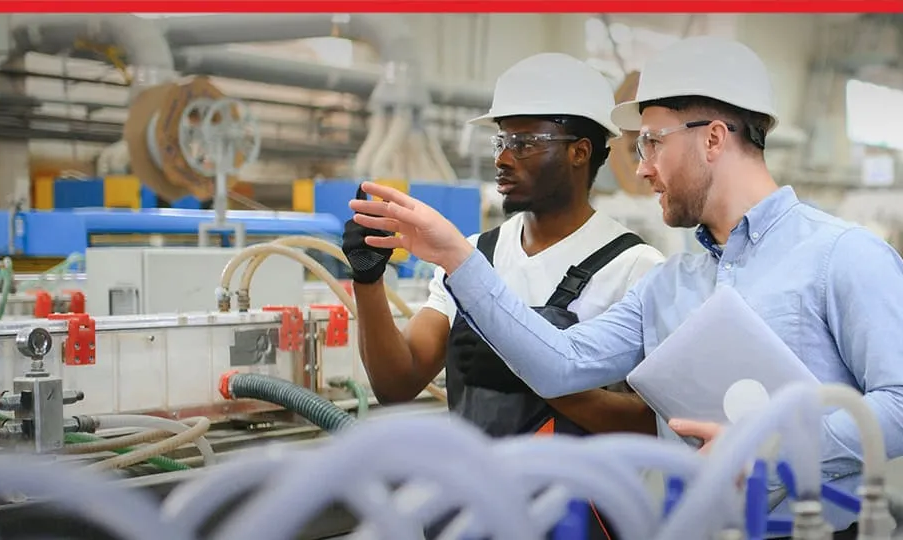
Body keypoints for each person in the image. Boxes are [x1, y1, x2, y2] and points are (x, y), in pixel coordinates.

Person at [347, 36, 903, 539]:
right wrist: (458, 258)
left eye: (652, 143)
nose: (641, 169)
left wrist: (771, 448)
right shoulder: (668, 285)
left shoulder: (842, 256)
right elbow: (557, 363)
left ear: (712, 139)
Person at [342, 52, 665, 538]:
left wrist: (531, 375)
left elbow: (651, 426)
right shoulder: (474, 257)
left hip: (577, 521)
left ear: (580, 151)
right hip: (472, 514)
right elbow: (398, 382)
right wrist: (368, 282)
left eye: (525, 142)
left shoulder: (635, 268)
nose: (502, 157)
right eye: (501, 139)